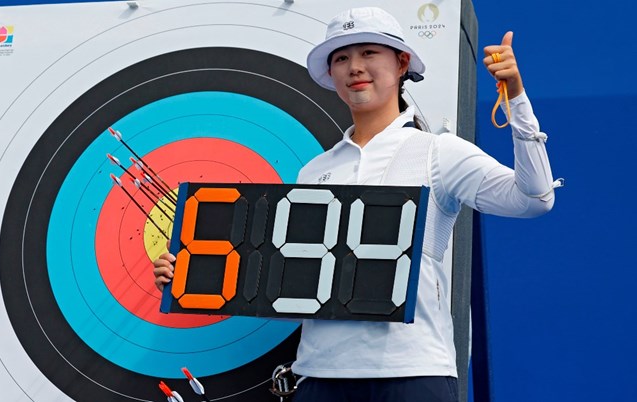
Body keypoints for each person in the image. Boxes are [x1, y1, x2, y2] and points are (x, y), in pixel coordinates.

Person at [154, 6, 558, 402]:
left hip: (412, 372)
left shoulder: (439, 152)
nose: (354, 67)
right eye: (342, 57)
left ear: (401, 64)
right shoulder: (315, 169)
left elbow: (535, 198)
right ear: (331, 74)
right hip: (319, 375)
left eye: (368, 53)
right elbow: (292, 284)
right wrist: (193, 272)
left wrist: (517, 100)